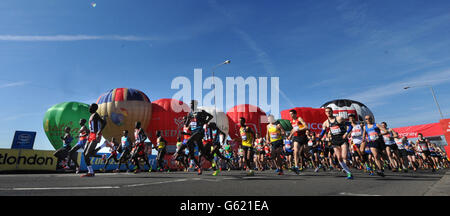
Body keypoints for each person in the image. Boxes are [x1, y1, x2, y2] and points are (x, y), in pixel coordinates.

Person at [174, 100, 213, 175]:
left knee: (188, 142)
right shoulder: (190, 113)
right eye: (190, 104)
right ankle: (201, 166)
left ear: (196, 104)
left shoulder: (200, 111)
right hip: (193, 133)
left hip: (199, 132)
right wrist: (188, 118)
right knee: (196, 154)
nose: (191, 105)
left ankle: (209, 160)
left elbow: (211, 116)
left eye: (192, 104)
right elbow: (186, 124)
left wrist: (205, 121)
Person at [319, 107, 353, 179]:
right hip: (334, 141)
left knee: (344, 156)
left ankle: (348, 169)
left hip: (342, 139)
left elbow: (350, 125)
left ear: (332, 112)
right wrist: (319, 137)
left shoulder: (339, 118)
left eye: (329, 111)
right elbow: (323, 132)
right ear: (325, 113)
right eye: (326, 112)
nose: (328, 113)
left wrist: (346, 133)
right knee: (339, 158)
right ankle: (348, 172)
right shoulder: (325, 123)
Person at [81, 103, 107, 177]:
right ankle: (102, 156)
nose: (89, 108)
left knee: (87, 154)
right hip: (90, 135)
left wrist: (99, 131)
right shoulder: (91, 116)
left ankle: (91, 172)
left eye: (91, 107)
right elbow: (91, 127)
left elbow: (104, 122)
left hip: (95, 135)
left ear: (94, 108)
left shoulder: (96, 115)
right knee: (86, 153)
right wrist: (87, 134)